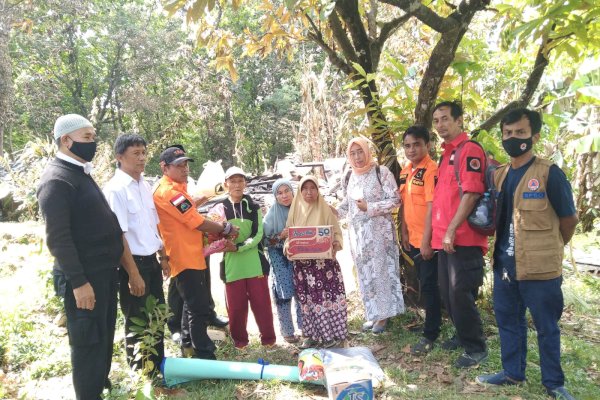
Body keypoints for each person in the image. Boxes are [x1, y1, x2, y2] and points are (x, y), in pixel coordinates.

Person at [37, 114, 145, 399]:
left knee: (103, 335)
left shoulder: (81, 173)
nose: (93, 143)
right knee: (88, 340)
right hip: (85, 277)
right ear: (66, 140)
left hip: (103, 272)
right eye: (87, 137)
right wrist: (78, 282)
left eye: (94, 136)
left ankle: (98, 384)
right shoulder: (57, 180)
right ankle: (88, 392)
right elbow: (58, 239)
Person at [476, 109, 578, 400]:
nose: (512, 139)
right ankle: (512, 373)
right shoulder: (500, 175)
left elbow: (568, 220)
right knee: (509, 321)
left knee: (546, 326)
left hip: (540, 268)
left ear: (534, 136)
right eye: (507, 133)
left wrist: (552, 247)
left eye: (519, 133)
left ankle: (554, 384)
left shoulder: (549, 173)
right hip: (505, 264)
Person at [153, 145, 238, 360]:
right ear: (164, 168)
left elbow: (188, 209)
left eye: (186, 164)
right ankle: (204, 354)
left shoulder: (177, 190)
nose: (185, 169)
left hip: (192, 255)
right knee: (198, 306)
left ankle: (188, 345)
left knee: (190, 305)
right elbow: (196, 221)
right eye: (178, 166)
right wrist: (225, 229)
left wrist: (206, 197)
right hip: (184, 257)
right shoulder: (169, 192)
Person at [103, 134, 169, 375]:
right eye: (136, 154)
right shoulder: (115, 189)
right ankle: (142, 374)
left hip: (151, 261)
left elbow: (153, 224)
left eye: (144, 153)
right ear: (119, 157)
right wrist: (133, 274)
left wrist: (163, 257)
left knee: (157, 316)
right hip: (132, 265)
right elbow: (119, 235)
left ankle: (159, 367)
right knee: (137, 320)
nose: (142, 158)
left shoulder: (144, 184)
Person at [431, 101, 488, 368]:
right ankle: (461, 334)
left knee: (460, 292)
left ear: (459, 121)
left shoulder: (469, 150)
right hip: (445, 239)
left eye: (445, 119)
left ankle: (475, 347)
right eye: (437, 121)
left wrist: (452, 230)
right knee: (447, 291)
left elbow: (473, 192)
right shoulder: (445, 155)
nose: (441, 125)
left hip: (463, 238)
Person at [337, 137, 404, 334]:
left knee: (381, 272)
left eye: (360, 152)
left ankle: (384, 316)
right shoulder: (349, 176)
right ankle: (373, 313)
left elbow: (396, 200)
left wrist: (371, 207)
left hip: (379, 233)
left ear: (368, 152)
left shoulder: (381, 172)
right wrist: (331, 211)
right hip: (358, 236)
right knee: (365, 275)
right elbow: (346, 206)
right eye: (353, 153)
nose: (357, 157)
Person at [212, 167, 276, 350]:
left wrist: (238, 247)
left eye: (240, 181)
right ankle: (240, 342)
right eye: (233, 181)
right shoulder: (219, 209)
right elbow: (213, 233)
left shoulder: (253, 206)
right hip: (232, 265)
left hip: (254, 263)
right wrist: (223, 243)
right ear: (226, 184)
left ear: (245, 183)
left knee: (262, 303)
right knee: (236, 306)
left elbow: (258, 235)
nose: (237, 185)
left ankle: (269, 340)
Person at [285, 176, 347, 348]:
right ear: (300, 191)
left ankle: (331, 336)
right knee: (307, 301)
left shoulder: (325, 209)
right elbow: (289, 238)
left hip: (324, 267)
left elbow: (337, 234)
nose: (309, 192)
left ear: (318, 190)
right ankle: (311, 335)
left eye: (313, 188)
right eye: (305, 188)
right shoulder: (295, 210)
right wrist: (288, 248)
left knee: (326, 299)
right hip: (303, 269)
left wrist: (335, 244)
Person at [397, 126, 441, 354]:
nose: (412, 149)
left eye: (416, 144)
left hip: (428, 240)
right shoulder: (405, 171)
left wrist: (427, 241)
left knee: (431, 286)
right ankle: (431, 325)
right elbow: (405, 203)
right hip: (412, 238)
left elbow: (433, 207)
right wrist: (403, 231)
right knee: (424, 283)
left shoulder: (432, 170)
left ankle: (430, 334)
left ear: (427, 145)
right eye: (407, 145)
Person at [263, 179, 303, 343]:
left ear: (293, 192)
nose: (284, 195)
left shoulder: (302, 210)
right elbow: (264, 241)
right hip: (280, 258)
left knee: (302, 291)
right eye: (279, 193)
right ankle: (287, 331)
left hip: (301, 256)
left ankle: (305, 327)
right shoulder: (271, 215)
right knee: (283, 293)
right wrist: (280, 236)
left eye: (287, 191)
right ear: (275, 196)